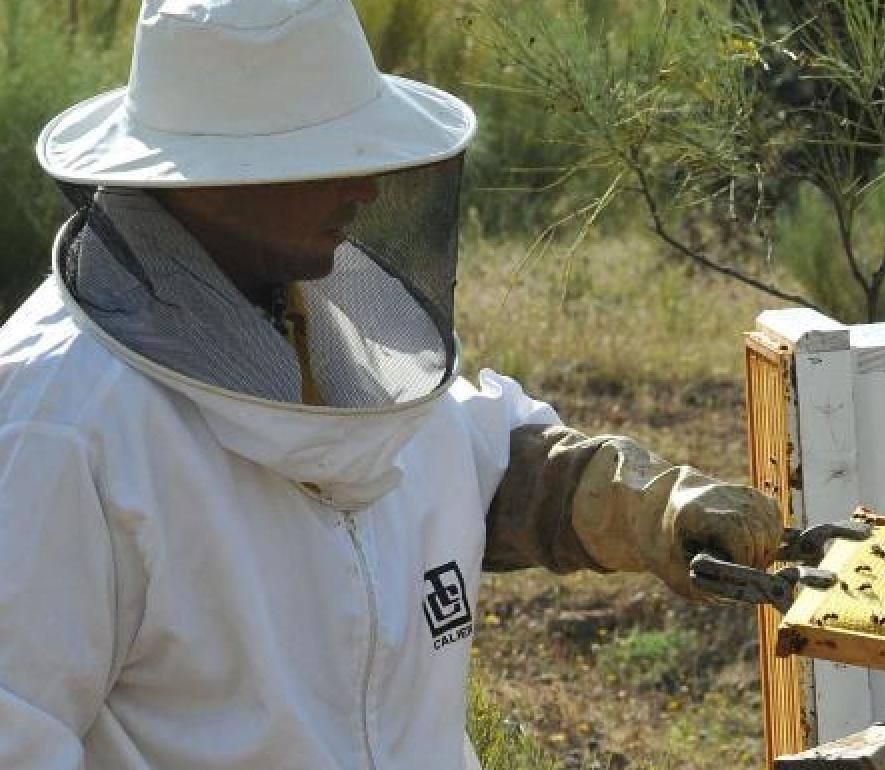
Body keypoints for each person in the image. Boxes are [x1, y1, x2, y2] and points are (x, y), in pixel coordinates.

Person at [0, 1, 783, 768]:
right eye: (326, 157)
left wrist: (642, 504)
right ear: (204, 179)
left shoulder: (312, 313)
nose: (368, 185)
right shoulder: (57, 425)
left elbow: (454, 457)